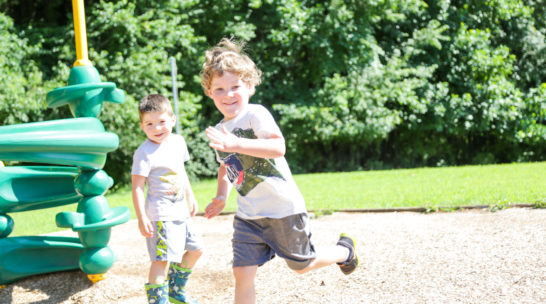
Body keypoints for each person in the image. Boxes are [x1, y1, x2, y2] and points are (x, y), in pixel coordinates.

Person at [200, 38, 359, 304]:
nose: (228, 95)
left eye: (235, 86)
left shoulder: (255, 114)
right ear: (209, 92)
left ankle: (344, 251)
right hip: (248, 215)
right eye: (220, 89)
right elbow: (226, 165)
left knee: (302, 265)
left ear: (249, 86)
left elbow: (278, 147)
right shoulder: (219, 130)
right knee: (241, 272)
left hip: (283, 209)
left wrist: (236, 142)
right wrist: (221, 196)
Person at [132, 94, 203, 304]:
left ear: (172, 119)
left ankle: (174, 291)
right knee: (160, 261)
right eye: (150, 124)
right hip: (161, 215)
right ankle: (158, 301)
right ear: (142, 126)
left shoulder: (178, 142)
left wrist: (191, 196)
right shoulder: (144, 153)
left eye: (162, 122)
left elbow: (181, 171)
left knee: (196, 249)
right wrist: (141, 217)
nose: (157, 128)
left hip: (181, 212)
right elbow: (137, 187)